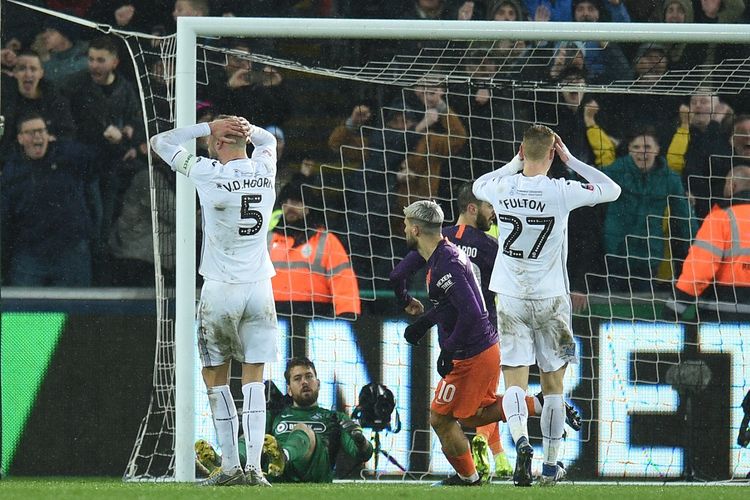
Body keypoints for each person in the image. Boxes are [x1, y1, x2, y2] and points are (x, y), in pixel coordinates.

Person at [472, 125, 621, 485]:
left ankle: (521, 442)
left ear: (522, 150)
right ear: (553, 153)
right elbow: (611, 190)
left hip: (509, 297)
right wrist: (572, 161)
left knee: (514, 385)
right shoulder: (561, 190)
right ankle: (552, 466)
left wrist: (513, 163)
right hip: (553, 301)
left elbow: (478, 186)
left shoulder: (501, 187)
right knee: (554, 386)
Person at [150, 115, 280, 487]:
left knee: (216, 376)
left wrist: (207, 125)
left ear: (219, 144)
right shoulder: (264, 169)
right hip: (260, 288)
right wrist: (247, 127)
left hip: (221, 288)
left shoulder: (208, 173)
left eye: (213, 139)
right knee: (254, 376)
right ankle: (255, 468)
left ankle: (229, 467)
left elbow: (161, 141)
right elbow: (268, 141)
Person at [394, 199, 500, 486]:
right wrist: (424, 324)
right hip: (479, 348)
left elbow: (472, 313)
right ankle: (537, 404)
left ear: (415, 229)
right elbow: (449, 305)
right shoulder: (440, 255)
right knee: (472, 415)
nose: (402, 228)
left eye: (405, 224)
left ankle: (469, 477)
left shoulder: (447, 263)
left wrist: (447, 350)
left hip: (473, 351)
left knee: (444, 418)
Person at [195, 357, 374, 482]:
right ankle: (225, 464)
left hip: (314, 473)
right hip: (276, 474)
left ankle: (283, 456)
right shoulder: (275, 415)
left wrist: (358, 437)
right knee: (249, 437)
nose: (304, 382)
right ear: (289, 389)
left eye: (309, 377)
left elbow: (363, 454)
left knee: (302, 430)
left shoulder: (334, 417)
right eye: (297, 378)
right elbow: (248, 439)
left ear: (318, 383)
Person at [1, 112, 98, 287]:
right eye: (31, 132)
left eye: (41, 130)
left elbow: (96, 160)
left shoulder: (68, 156)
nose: (37, 136)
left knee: (74, 311)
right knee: (27, 312)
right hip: (30, 253)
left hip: (70, 249)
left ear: (48, 135)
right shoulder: (12, 170)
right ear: (20, 139)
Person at [666, 165, 750, 322]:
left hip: (723, 315)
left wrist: (675, 308)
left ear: (732, 185)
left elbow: (700, 271)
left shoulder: (720, 219)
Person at [269, 177, 361, 319]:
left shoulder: (326, 241)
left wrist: (347, 315)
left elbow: (343, 281)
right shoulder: (267, 240)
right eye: (285, 202)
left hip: (314, 319)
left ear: (308, 207)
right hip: (271, 318)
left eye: (296, 201)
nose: (290, 206)